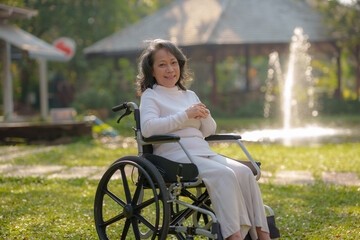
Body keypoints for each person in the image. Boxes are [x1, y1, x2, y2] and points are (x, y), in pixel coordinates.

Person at [137, 39, 271, 240]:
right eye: (162, 64)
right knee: (224, 175)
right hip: (173, 155)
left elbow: (208, 131)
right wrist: (186, 115)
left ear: (180, 65)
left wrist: (204, 115)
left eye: (173, 63)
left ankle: (262, 235)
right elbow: (148, 129)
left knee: (243, 172)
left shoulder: (189, 94)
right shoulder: (151, 96)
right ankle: (233, 236)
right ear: (152, 70)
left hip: (202, 152)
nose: (170, 69)